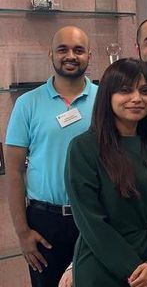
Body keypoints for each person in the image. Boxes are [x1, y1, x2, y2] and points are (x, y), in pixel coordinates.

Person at [65, 58, 147, 286]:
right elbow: (91, 222)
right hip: (106, 269)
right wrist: (135, 272)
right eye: (125, 90)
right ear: (107, 96)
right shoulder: (84, 148)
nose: (137, 98)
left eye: (145, 91)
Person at [5, 26, 98, 287]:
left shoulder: (105, 100)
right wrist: (22, 232)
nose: (71, 56)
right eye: (62, 49)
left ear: (89, 56)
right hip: (45, 222)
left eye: (78, 50)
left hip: (94, 216)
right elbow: (14, 171)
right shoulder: (27, 103)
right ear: (51, 54)